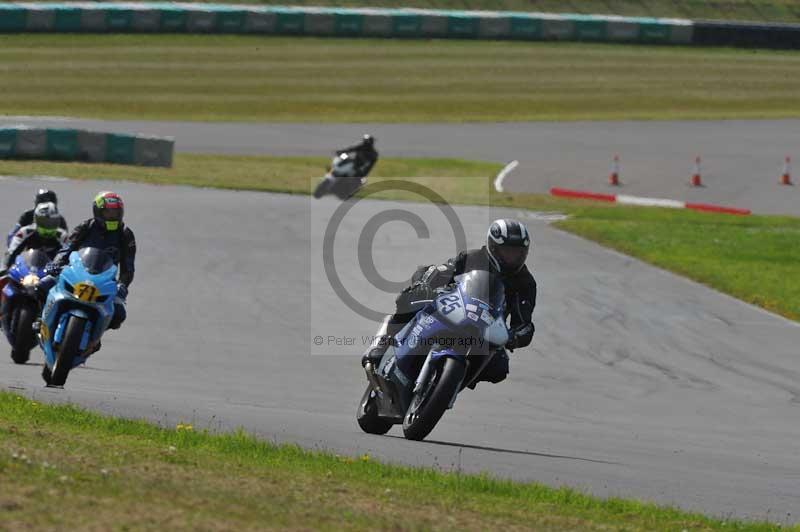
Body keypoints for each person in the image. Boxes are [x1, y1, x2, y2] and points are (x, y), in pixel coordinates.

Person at [362, 219, 536, 387]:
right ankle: (384, 342)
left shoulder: (525, 283)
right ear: (493, 247)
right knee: (409, 298)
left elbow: (524, 323)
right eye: (507, 251)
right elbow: (441, 271)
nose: (512, 258)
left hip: (486, 329)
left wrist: (514, 337)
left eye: (517, 253)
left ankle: (451, 383)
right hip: (454, 307)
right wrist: (425, 283)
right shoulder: (472, 258)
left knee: (499, 368)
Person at [43, 191, 136, 331]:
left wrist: (122, 285)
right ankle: (40, 320)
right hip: (76, 272)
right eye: (108, 213)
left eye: (115, 213)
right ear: (97, 211)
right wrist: (57, 263)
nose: (112, 216)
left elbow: (128, 267)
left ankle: (94, 337)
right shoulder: (86, 226)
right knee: (42, 285)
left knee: (119, 314)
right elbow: (67, 248)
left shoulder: (126, 235)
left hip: (104, 281)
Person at [2, 202, 68, 270]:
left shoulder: (62, 236)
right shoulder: (25, 232)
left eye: (52, 222)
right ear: (36, 220)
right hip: (27, 271)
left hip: (53, 274)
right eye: (45, 222)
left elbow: (70, 256)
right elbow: (11, 251)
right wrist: (5, 268)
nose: (48, 225)